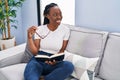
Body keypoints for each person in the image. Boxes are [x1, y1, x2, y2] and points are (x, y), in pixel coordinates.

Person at [24, 3, 74, 80]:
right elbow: (35, 52)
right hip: (38, 61)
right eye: (55, 15)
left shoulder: (65, 30)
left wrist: (56, 61)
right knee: (31, 74)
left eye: (60, 14)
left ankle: (45, 78)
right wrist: (29, 38)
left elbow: (62, 50)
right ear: (47, 16)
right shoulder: (40, 29)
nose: (59, 17)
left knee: (69, 66)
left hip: (54, 63)